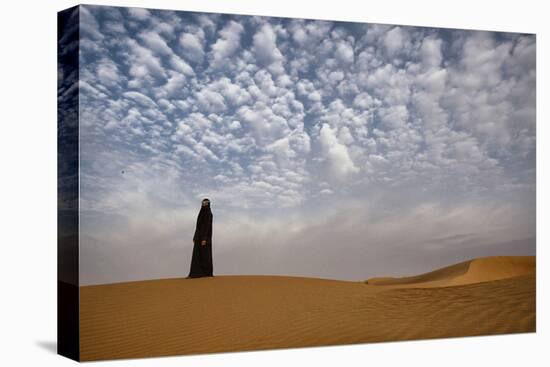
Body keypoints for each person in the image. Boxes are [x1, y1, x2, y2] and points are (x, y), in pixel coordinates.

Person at [187, 198, 214, 278]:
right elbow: (198, 226)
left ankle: (207, 273)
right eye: (203, 202)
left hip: (204, 238)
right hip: (198, 237)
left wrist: (204, 239)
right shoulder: (201, 213)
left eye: (206, 203)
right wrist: (195, 236)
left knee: (205, 256)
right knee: (196, 255)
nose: (204, 204)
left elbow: (207, 226)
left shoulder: (209, 213)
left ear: (208, 204)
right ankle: (195, 274)